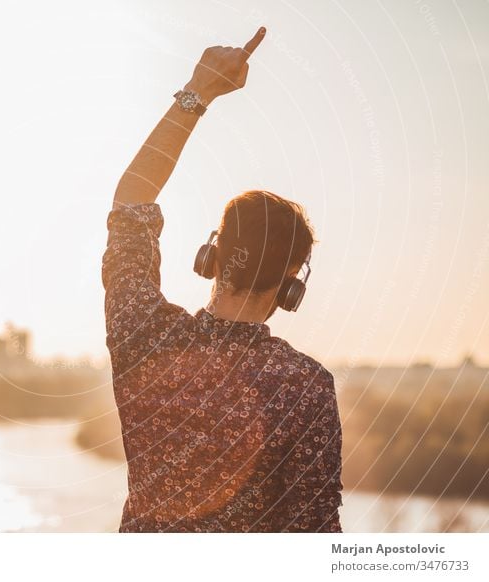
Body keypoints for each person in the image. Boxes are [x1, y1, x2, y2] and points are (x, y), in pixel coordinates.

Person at [102, 27, 344, 532]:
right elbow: (313, 534)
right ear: (291, 289)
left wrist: (201, 88)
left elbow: (131, 199)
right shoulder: (306, 388)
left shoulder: (144, 335)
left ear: (211, 256)